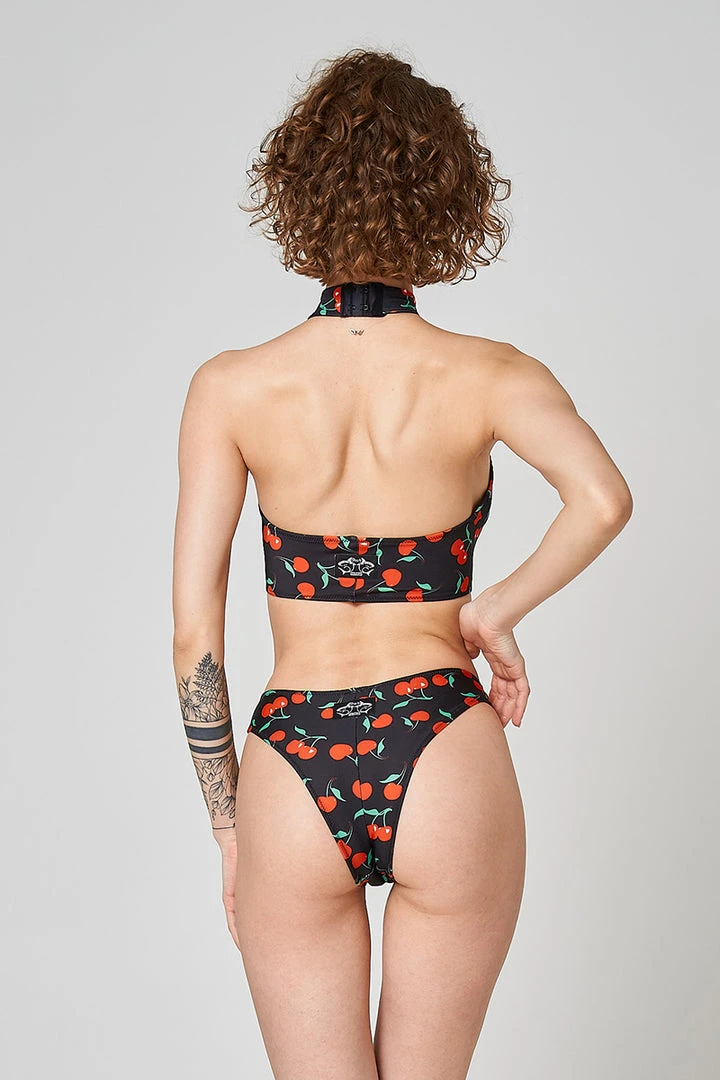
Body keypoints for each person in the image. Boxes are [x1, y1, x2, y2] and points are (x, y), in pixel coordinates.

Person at [171, 47, 633, 1080]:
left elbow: (195, 637)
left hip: (293, 757)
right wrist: (493, 611)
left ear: (299, 192)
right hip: (443, 741)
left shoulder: (232, 388)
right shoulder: (492, 374)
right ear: (447, 199)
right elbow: (604, 500)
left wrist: (233, 830)